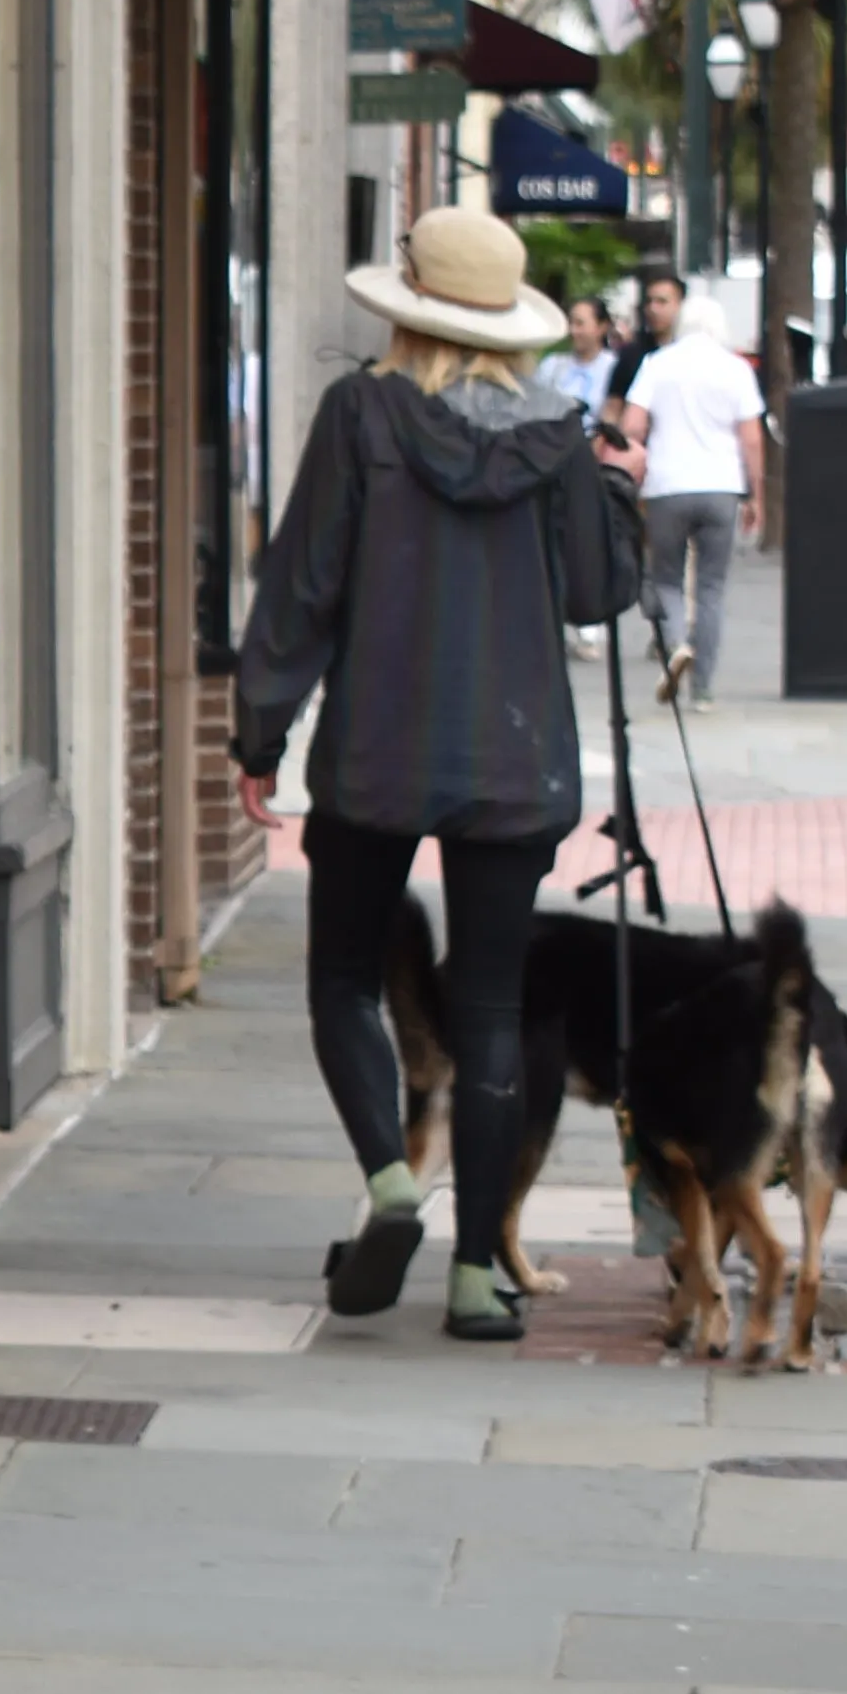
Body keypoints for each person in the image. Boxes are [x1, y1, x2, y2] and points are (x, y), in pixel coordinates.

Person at [230, 201, 646, 1348]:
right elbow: (594, 596)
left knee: (343, 980)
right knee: (492, 1010)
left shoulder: (362, 413)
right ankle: (474, 1278)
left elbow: (303, 585)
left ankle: (391, 1182)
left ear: (408, 309)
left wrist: (259, 732)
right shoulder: (558, 435)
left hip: (375, 750)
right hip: (513, 759)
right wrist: (613, 489)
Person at [624, 279, 770, 701]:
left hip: (667, 485)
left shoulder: (657, 363)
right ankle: (703, 689)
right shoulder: (736, 368)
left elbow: (633, 425)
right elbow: (752, 439)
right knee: (711, 587)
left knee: (666, 578)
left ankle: (674, 644)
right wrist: (755, 494)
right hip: (721, 486)